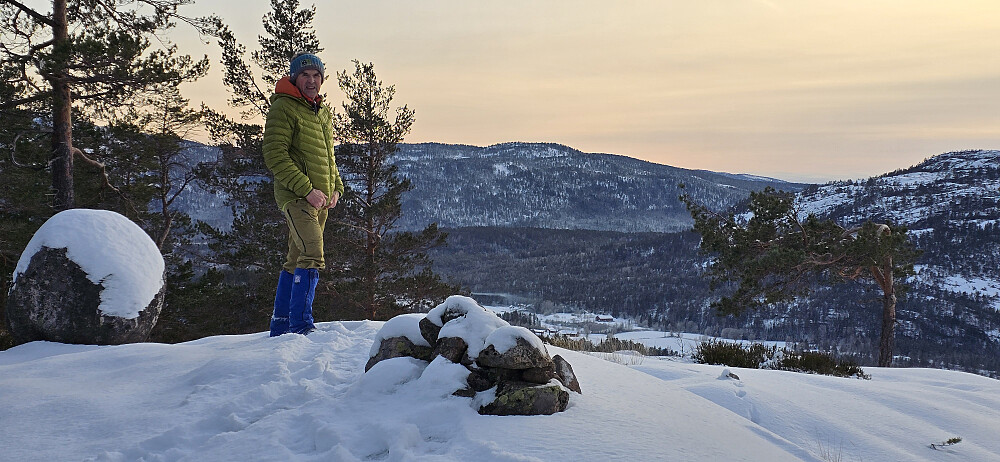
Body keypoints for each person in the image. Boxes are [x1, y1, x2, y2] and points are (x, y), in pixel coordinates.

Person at [262, 53, 344, 336]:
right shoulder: (284, 108)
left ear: (322, 79)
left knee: (295, 258)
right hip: (297, 197)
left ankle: (281, 325)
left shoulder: (321, 111)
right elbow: (275, 155)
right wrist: (307, 190)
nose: (311, 80)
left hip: (320, 200)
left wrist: (336, 188)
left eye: (316, 75)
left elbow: (328, 157)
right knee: (312, 252)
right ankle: (301, 326)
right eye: (305, 75)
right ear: (294, 78)